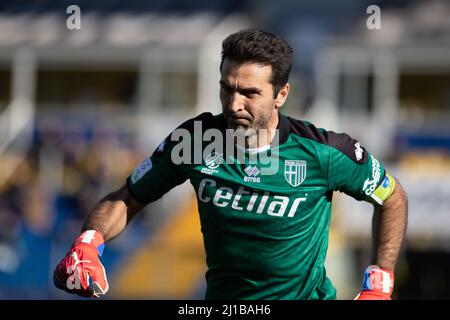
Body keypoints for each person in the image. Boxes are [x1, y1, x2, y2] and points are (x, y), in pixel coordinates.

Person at [53, 29, 408, 300]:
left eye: (250, 93)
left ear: (281, 93)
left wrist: (380, 281)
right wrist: (89, 240)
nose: (235, 103)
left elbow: (392, 197)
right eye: (227, 88)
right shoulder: (193, 142)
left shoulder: (324, 152)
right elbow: (129, 196)